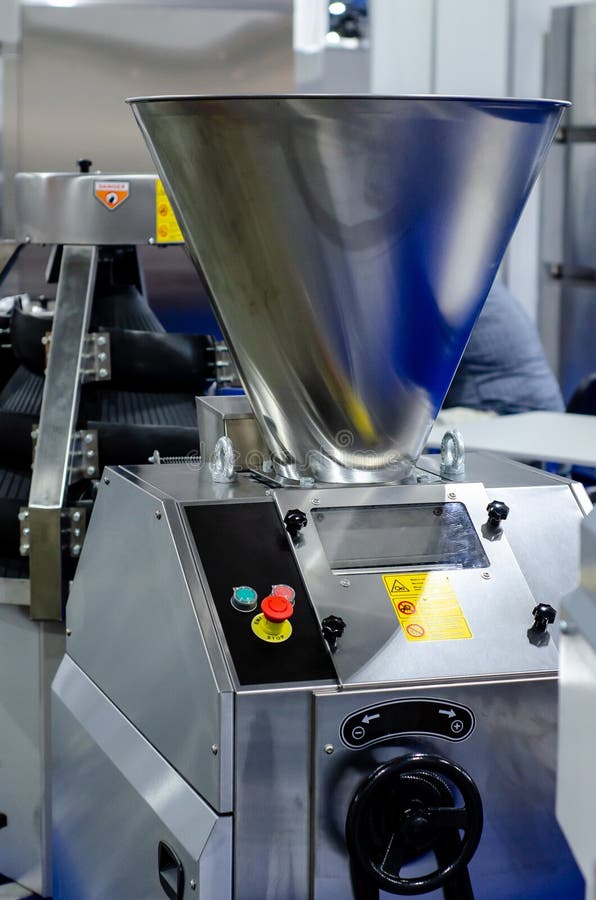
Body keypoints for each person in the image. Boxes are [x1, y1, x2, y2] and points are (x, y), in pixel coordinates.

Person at [440, 279, 564, 419]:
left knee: (417, 430)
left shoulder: (446, 288)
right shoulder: (474, 278)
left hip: (509, 413)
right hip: (543, 413)